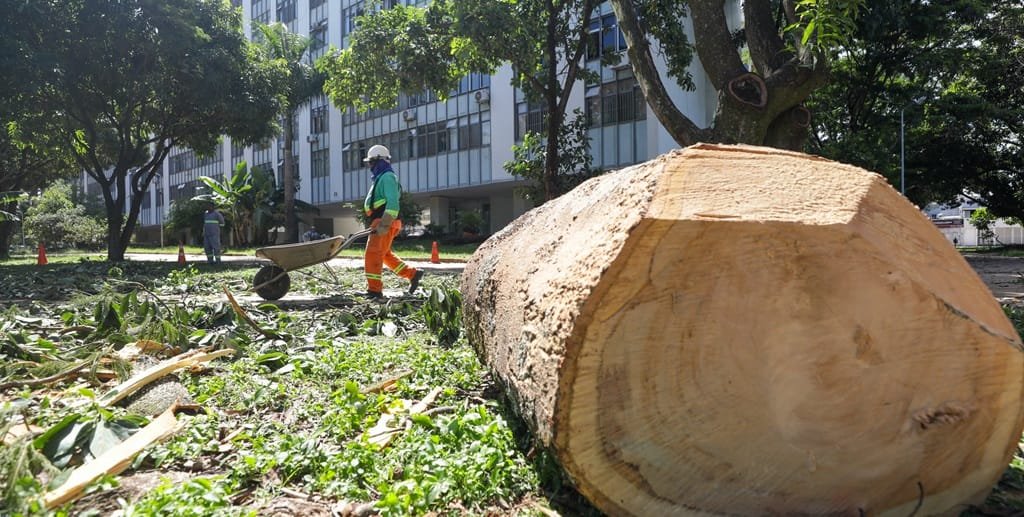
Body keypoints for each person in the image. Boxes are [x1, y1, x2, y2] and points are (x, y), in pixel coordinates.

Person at [362, 144, 423, 299]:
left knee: (373, 254)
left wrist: (384, 224)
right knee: (384, 254)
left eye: (371, 162)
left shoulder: (388, 177)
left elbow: (393, 203)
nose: (369, 166)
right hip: (382, 221)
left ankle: (374, 290)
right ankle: (413, 274)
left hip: (384, 221)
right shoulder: (381, 177)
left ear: (378, 161)